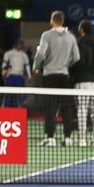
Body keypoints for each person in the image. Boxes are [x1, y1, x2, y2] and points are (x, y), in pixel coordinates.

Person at [32, 10, 80, 147]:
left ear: (52, 21)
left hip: (49, 76)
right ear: (63, 21)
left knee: (50, 107)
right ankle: (67, 137)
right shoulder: (71, 37)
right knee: (66, 107)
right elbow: (76, 57)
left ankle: (50, 137)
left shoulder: (46, 35)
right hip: (64, 76)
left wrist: (36, 66)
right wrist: (65, 65)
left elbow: (41, 52)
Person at [72, 19, 94, 144]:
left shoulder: (78, 43)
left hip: (81, 81)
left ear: (81, 30)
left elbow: (76, 61)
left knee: (82, 109)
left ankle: (81, 139)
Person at [2, 37, 30, 108]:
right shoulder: (9, 53)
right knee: (8, 94)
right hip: (11, 77)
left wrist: (29, 76)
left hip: (20, 77)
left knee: (20, 95)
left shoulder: (24, 55)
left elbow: (27, 66)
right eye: (20, 43)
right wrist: (3, 74)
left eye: (22, 43)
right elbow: (4, 65)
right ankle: (5, 109)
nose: (21, 45)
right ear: (16, 44)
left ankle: (18, 109)